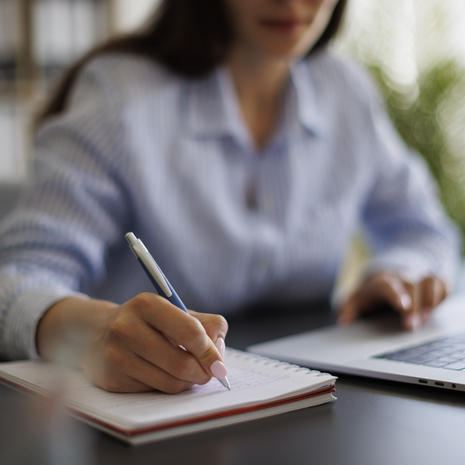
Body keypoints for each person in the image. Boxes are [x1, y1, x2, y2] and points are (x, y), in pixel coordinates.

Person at [0, 0, 460, 394]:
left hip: (309, 408)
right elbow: (16, 278)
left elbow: (428, 234)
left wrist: (400, 275)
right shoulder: (119, 97)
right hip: (146, 419)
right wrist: (92, 328)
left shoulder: (346, 91)